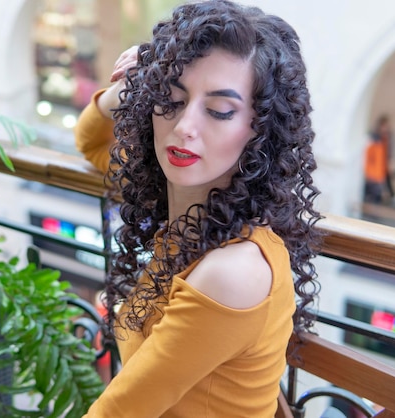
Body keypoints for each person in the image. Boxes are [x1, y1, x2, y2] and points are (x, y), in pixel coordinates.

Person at [74, 1, 323, 416]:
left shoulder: (234, 272)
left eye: (219, 111)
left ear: (261, 129)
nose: (185, 126)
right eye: (171, 98)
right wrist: (135, 81)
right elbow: (92, 143)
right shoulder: (185, 201)